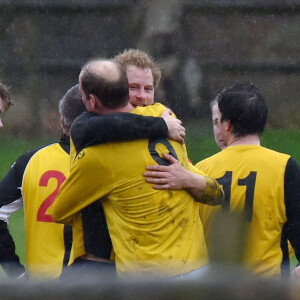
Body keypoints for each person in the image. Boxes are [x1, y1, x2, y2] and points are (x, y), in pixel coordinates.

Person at [0, 84, 183, 280]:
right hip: (98, 280)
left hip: (42, 288)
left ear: (62, 121)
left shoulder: (30, 162)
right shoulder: (114, 162)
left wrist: (16, 274)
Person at [52, 59, 212, 278]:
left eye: (149, 89)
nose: (142, 97)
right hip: (108, 261)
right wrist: (160, 125)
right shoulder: (162, 123)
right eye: (133, 88)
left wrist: (190, 179)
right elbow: (87, 127)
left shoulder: (167, 122)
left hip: (161, 271)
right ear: (120, 89)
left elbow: (215, 190)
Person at [144, 82, 300, 278]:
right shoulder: (285, 167)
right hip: (266, 289)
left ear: (227, 125)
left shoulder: (200, 170)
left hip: (214, 289)